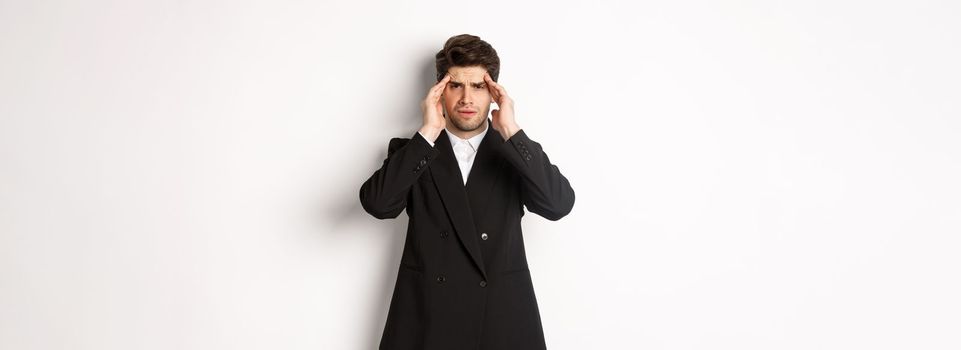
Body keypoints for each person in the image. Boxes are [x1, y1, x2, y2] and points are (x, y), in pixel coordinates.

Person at [359, 33, 575, 350]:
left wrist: (511, 130)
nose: (466, 98)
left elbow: (558, 205)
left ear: (494, 94)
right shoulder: (414, 151)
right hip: (427, 317)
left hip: (501, 321)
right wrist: (429, 130)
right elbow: (378, 204)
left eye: (478, 86)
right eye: (456, 85)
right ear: (439, 92)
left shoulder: (515, 152)